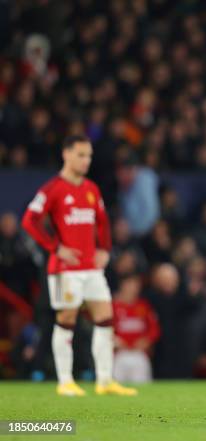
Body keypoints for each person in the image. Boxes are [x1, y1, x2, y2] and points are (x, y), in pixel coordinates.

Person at [21, 134, 137, 396]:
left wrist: (104, 250)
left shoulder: (91, 189)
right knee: (66, 320)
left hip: (91, 268)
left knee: (105, 319)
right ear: (67, 154)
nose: (86, 161)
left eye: (89, 156)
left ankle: (105, 380)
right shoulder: (52, 189)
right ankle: (65, 381)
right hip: (64, 270)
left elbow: (103, 223)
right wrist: (56, 247)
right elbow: (29, 221)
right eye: (81, 155)